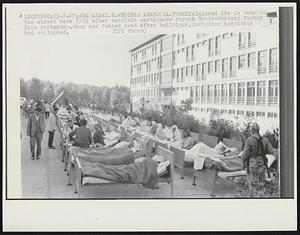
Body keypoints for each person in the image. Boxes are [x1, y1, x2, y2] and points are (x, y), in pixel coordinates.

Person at [241, 123, 274, 198]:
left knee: (252, 182)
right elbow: (271, 151)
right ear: (258, 130)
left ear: (252, 130)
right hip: (262, 163)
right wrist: (263, 151)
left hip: (252, 163)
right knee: (261, 182)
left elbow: (245, 154)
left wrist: (243, 163)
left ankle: (252, 199)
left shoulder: (249, 140)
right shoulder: (265, 140)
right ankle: (261, 197)